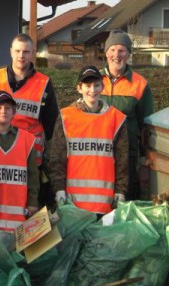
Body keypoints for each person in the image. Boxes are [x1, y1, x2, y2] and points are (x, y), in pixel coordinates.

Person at [0, 33, 59, 207]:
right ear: (11, 52)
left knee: (30, 199)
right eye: (18, 51)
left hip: (29, 155)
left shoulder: (43, 83)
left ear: (33, 53)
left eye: (26, 52)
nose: (21, 56)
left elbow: (51, 122)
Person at [47, 66, 128, 215]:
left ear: (102, 87)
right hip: (73, 204)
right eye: (87, 86)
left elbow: (122, 159)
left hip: (106, 205)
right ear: (79, 88)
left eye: (96, 85)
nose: (92, 90)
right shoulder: (66, 117)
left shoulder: (116, 118)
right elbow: (57, 158)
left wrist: (120, 190)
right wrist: (58, 189)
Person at [100, 30, 155, 200]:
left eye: (122, 50)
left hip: (128, 156)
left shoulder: (140, 84)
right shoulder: (93, 80)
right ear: (106, 52)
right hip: (98, 153)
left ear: (129, 54)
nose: (117, 55)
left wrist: (145, 160)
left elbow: (147, 126)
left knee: (125, 201)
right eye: (113, 49)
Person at [0, 90, 39, 231]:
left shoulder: (27, 139)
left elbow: (33, 174)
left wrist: (33, 202)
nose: (3, 111)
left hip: (19, 216)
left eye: (8, 108)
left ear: (14, 112)